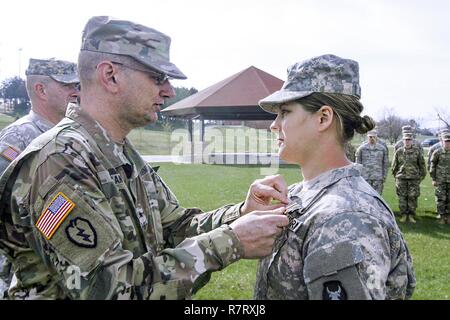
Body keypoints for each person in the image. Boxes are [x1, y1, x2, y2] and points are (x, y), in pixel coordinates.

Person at [0, 16, 289, 300]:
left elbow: (174, 228)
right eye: (157, 77)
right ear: (110, 75)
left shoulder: (119, 152)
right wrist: (232, 241)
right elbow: (113, 290)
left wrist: (240, 214)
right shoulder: (59, 161)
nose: (169, 91)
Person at [253, 54, 415, 300]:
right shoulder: (302, 194)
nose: (274, 125)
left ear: (323, 118)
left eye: (284, 112)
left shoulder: (346, 217)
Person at [0, 58, 79, 299]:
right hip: (24, 274)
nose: (76, 91)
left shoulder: (70, 135)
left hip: (62, 267)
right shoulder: (18, 138)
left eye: (78, 85)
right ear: (41, 90)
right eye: (68, 85)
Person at [392, 133, 427, 223]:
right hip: (401, 178)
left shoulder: (417, 151)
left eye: (409, 140)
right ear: (403, 141)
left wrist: (421, 177)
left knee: (412, 197)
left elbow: (422, 165)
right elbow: (394, 166)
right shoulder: (399, 151)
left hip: (414, 178)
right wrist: (396, 176)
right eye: (405, 140)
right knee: (402, 197)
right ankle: (403, 214)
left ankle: (411, 215)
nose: (407, 141)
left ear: (412, 141)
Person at [355, 130, 388, 195]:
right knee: (365, 197)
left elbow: (385, 164)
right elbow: (357, 163)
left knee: (378, 198)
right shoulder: (361, 148)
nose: (372, 138)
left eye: (374, 137)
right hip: (365, 178)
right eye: (370, 137)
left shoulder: (382, 149)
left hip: (378, 178)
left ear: (376, 137)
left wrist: (384, 176)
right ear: (367, 137)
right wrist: (358, 176)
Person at [427, 129, 449, 219]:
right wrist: (434, 179)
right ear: (442, 141)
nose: (448, 143)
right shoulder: (437, 152)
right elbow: (432, 166)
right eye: (446, 141)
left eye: (449, 142)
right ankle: (441, 214)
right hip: (440, 180)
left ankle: (448, 214)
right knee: (441, 197)